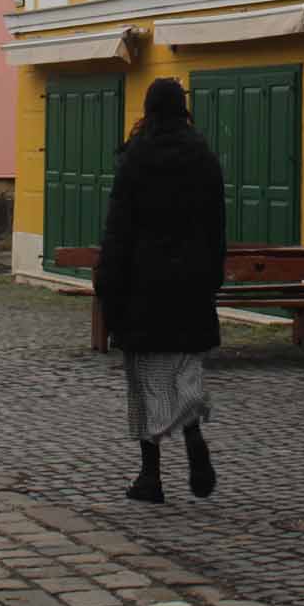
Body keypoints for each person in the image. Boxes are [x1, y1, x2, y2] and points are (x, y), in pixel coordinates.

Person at [95, 77, 226, 504]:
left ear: (149, 112)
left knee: (146, 382)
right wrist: (211, 277)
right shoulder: (203, 158)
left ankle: (150, 476)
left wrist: (107, 286)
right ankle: (193, 439)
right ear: (184, 110)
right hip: (190, 285)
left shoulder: (136, 160)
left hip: (142, 288)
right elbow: (216, 227)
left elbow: (118, 232)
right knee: (185, 372)